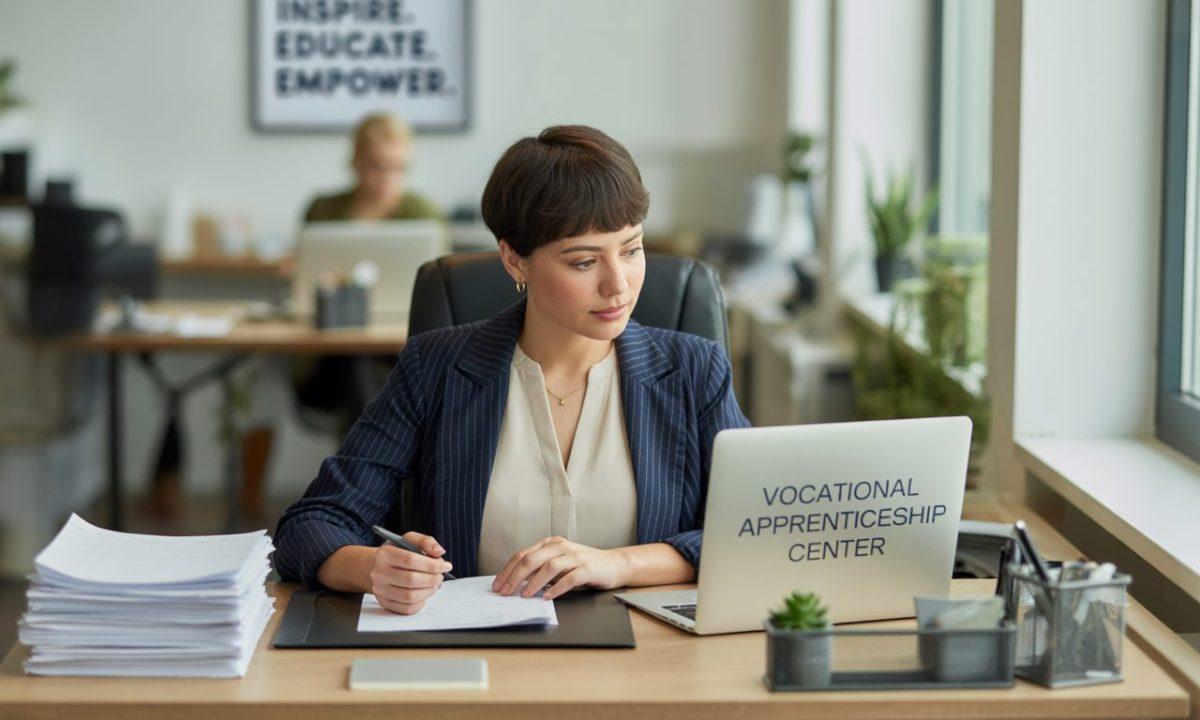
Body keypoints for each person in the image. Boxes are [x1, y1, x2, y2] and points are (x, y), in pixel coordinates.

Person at [274, 125, 749, 615]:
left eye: (630, 250)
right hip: (479, 655)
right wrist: (371, 567)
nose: (619, 286)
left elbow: (754, 528)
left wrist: (620, 565)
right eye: (584, 262)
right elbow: (312, 522)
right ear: (514, 260)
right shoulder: (436, 366)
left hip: (646, 658)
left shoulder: (694, 369)